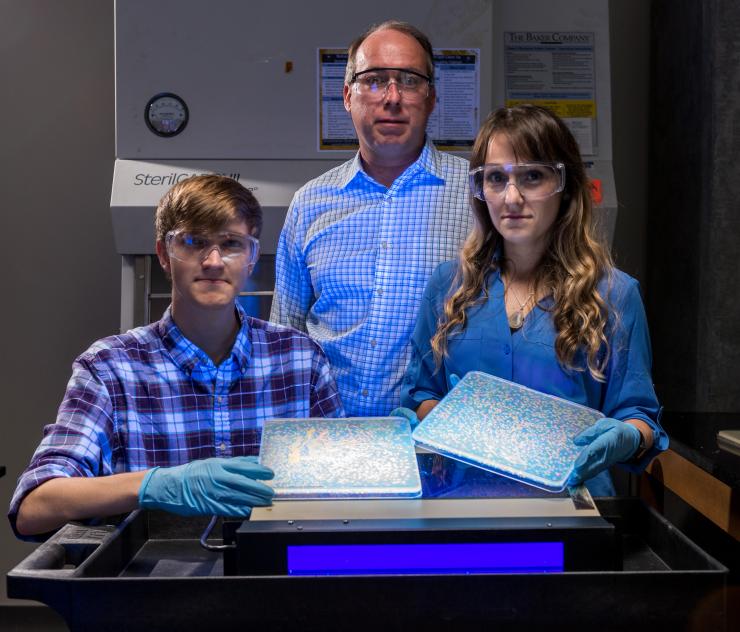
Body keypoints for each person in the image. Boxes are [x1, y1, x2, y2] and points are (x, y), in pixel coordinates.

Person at [9, 175, 344, 539]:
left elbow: (345, 493)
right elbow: (34, 506)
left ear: (250, 258)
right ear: (164, 256)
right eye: (194, 242)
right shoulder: (110, 369)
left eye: (231, 243)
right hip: (156, 586)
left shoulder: (300, 361)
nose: (214, 261)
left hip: (277, 579)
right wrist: (155, 486)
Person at [400, 105, 668, 496]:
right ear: (480, 190)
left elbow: (638, 415)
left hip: (571, 513)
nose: (512, 197)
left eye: (533, 176)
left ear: (566, 186)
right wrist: (448, 419)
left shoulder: (613, 295)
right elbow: (421, 392)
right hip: (463, 508)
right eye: (495, 178)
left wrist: (628, 435)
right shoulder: (448, 286)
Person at [270, 20, 472, 416]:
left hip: (434, 447)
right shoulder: (309, 203)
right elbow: (286, 338)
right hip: (327, 438)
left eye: (410, 81)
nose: (392, 97)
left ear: (431, 98)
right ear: (347, 96)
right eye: (375, 80)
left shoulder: (479, 195)